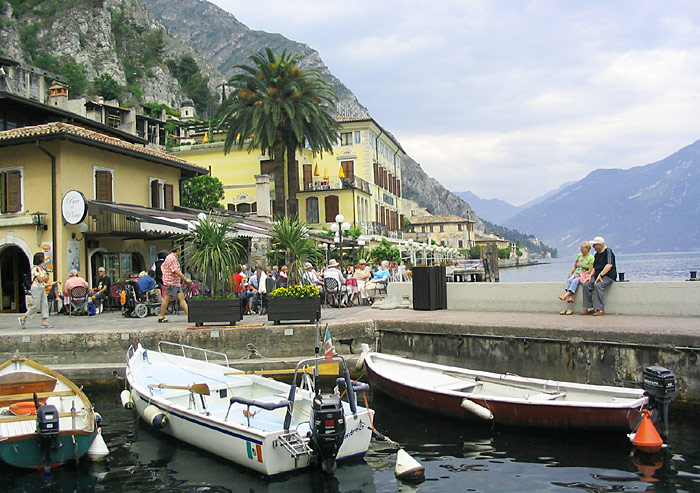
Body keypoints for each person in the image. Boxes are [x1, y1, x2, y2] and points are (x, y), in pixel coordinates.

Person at [581, 237, 617, 316]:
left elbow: (609, 265)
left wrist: (601, 275)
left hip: (608, 276)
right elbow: (594, 267)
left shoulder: (608, 251)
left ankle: (600, 309)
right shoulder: (597, 254)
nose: (593, 247)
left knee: (599, 286)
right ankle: (589, 308)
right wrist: (590, 276)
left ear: (600, 245)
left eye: (595, 245)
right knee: (586, 285)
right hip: (597, 275)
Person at [157, 246, 192, 323]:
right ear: (178, 250)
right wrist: (186, 279)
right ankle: (161, 316)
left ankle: (190, 316)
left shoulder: (170, 258)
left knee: (181, 298)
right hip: (171, 282)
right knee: (167, 298)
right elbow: (176, 271)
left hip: (176, 283)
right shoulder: (172, 258)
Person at [558, 241, 595, 312]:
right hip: (577, 273)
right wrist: (571, 273)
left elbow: (590, 270)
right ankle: (571, 297)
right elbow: (575, 266)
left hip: (584, 275)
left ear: (587, 249)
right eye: (581, 247)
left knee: (575, 281)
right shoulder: (579, 256)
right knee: (569, 280)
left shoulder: (591, 258)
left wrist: (580, 275)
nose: (581, 249)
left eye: (582, 247)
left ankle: (565, 296)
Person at [19, 252, 53, 329]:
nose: (44, 258)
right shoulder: (35, 268)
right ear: (40, 259)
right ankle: (23, 318)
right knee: (36, 306)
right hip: (36, 288)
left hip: (42, 287)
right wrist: (44, 278)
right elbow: (40, 279)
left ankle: (44, 322)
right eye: (43, 257)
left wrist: (45, 278)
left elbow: (47, 278)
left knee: (44, 304)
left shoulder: (43, 268)